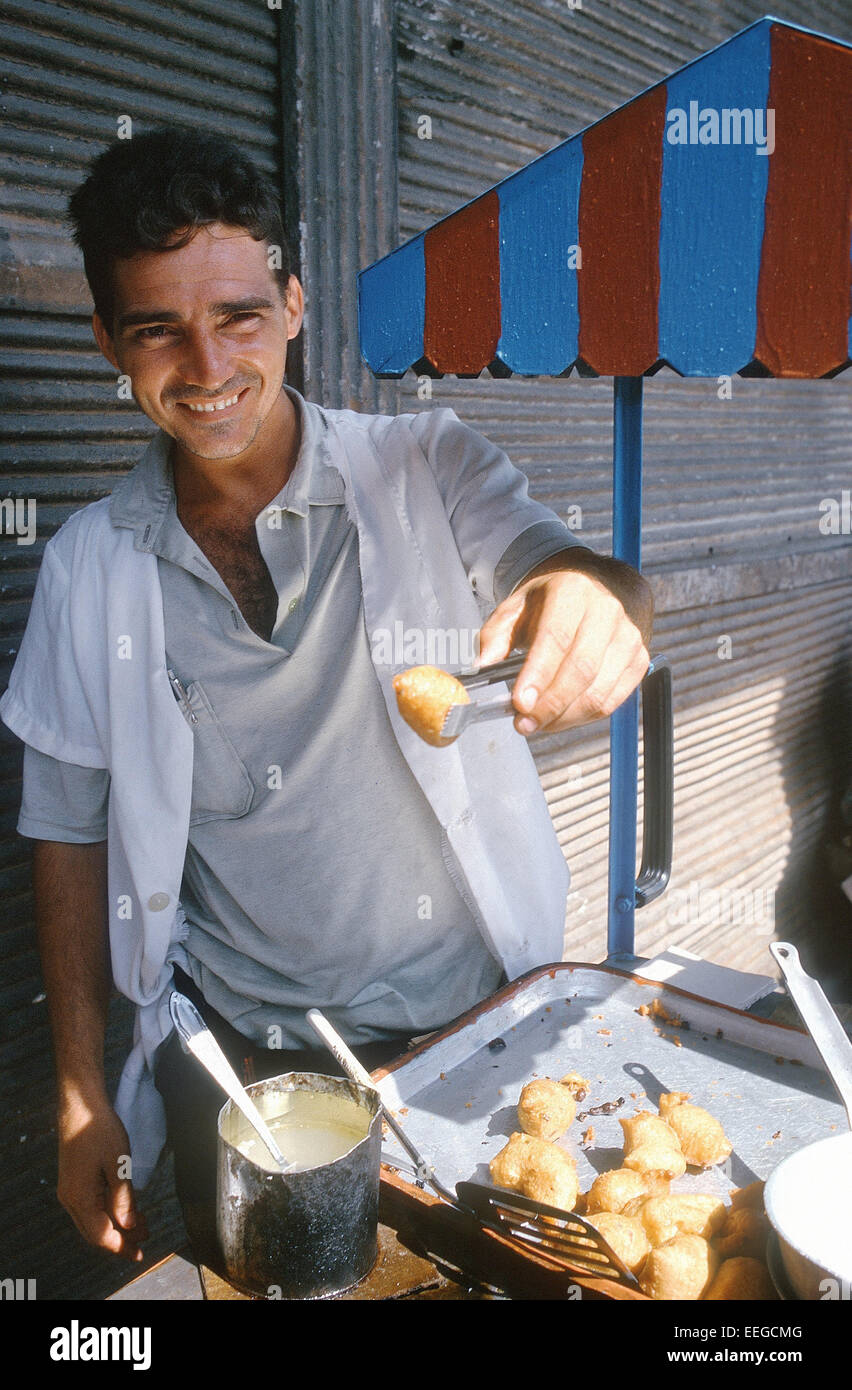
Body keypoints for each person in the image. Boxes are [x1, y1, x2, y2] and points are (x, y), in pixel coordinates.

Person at [1, 127, 653, 1274]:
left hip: (471, 1044)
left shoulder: (425, 466)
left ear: (294, 304)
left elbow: (565, 565)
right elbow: (67, 830)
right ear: (109, 340)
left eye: (240, 315)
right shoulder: (88, 567)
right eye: (158, 328)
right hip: (245, 1076)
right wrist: (77, 1092)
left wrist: (595, 600)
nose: (206, 366)